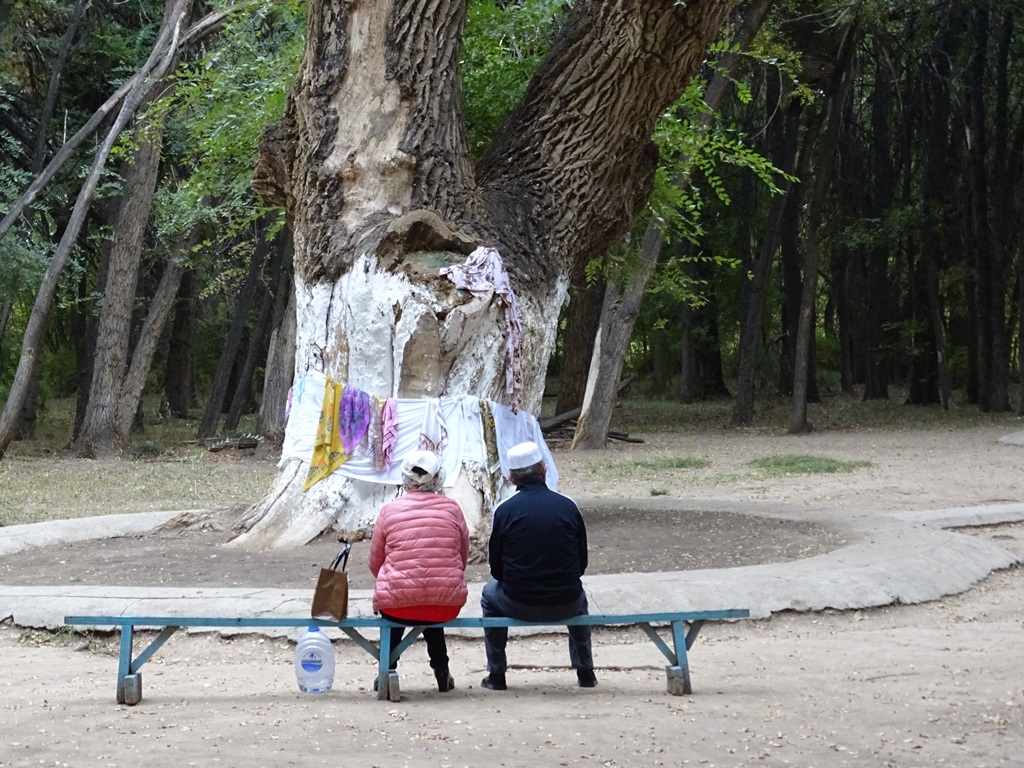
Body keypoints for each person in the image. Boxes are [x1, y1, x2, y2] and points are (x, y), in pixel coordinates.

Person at [480, 440, 596, 690]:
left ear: (511, 478)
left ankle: (497, 674)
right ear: (544, 471)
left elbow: (496, 569)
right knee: (580, 596)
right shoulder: (568, 505)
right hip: (567, 602)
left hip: (518, 603)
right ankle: (586, 671)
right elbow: (581, 563)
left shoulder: (503, 511)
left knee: (489, 594)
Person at [368, 449, 469, 692]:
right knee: (432, 606)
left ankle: (387, 670)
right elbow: (461, 556)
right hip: (446, 604)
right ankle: (441, 671)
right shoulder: (452, 509)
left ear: (405, 479)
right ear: (438, 478)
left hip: (396, 605)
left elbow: (375, 562)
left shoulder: (389, 511)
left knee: (401, 606)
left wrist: (397, 580)